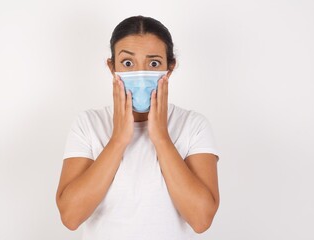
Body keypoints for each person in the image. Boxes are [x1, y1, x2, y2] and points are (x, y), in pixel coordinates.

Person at [56, 15, 220, 240]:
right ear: (111, 67)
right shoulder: (88, 124)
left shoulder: (193, 125)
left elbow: (201, 220)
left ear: (170, 68)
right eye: (127, 63)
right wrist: (118, 140)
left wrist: (161, 138)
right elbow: (71, 217)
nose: (141, 75)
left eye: (153, 63)